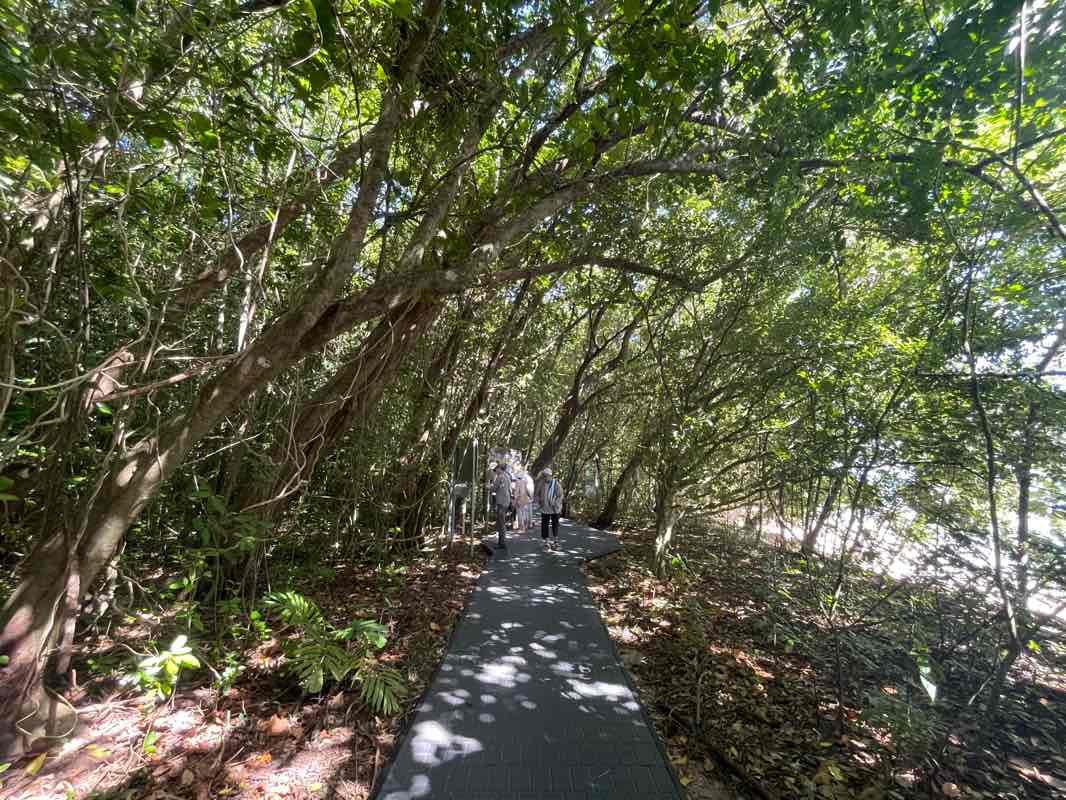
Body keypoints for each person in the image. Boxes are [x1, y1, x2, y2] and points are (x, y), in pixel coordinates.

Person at [537, 468, 564, 549]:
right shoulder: (541, 483)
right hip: (545, 509)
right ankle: (547, 542)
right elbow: (538, 493)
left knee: (555, 525)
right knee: (545, 525)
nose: (545, 478)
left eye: (546, 476)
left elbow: (560, 496)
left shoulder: (556, 484)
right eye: (543, 476)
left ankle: (556, 541)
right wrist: (540, 501)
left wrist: (555, 503)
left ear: (550, 476)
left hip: (554, 509)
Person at [491, 463, 511, 549]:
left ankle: (502, 543)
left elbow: (494, 488)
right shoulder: (507, 476)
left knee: (501, 523)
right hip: (505, 501)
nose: (496, 471)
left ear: (500, 468)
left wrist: (488, 486)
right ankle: (501, 542)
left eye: (496, 469)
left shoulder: (500, 477)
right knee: (501, 522)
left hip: (502, 502)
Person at [513, 466, 534, 534]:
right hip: (527, 498)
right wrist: (530, 497)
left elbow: (516, 492)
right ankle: (527, 525)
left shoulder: (519, 481)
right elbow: (530, 490)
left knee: (520, 514)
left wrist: (515, 500)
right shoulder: (529, 479)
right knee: (526, 513)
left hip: (520, 498)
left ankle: (522, 528)